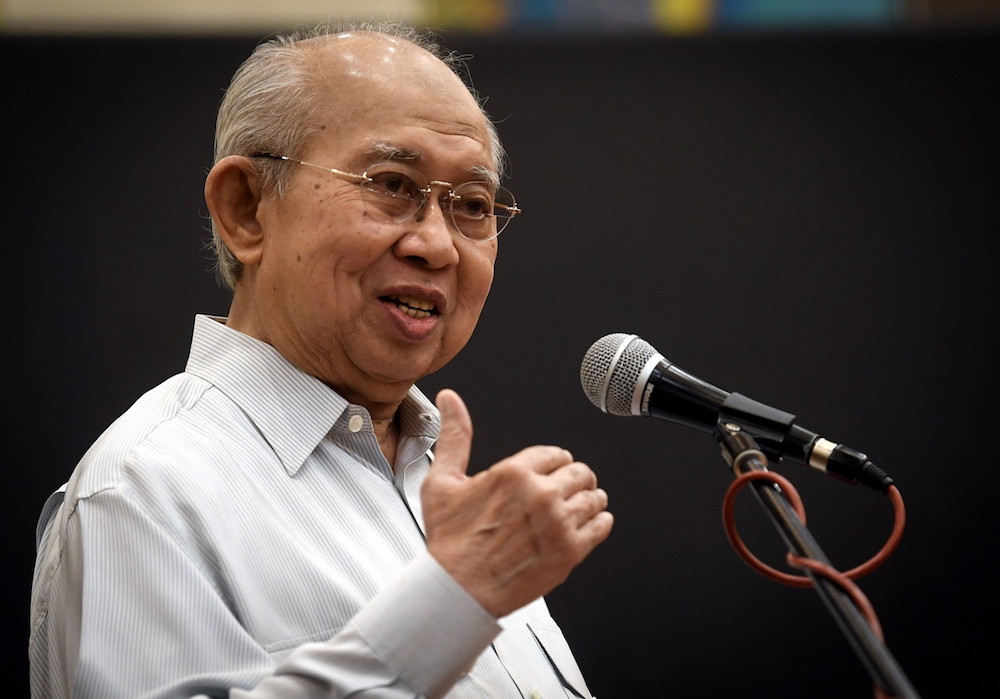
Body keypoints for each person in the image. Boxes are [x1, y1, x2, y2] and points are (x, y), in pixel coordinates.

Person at [29, 21, 614, 699]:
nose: (438, 245)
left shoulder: (443, 487)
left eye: (473, 206)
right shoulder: (146, 488)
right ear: (246, 209)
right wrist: (451, 599)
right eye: (393, 183)